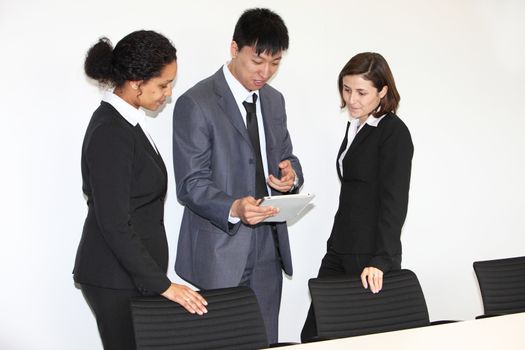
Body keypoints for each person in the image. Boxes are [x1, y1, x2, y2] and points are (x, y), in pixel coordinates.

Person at [172, 8, 303, 343]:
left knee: (265, 339)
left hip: (268, 247)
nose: (266, 72)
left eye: (275, 63)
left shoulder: (275, 102)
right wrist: (234, 207)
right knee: (222, 341)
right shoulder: (196, 103)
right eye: (258, 60)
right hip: (220, 247)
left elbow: (286, 156)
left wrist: (291, 176)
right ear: (235, 48)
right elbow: (190, 184)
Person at [73, 30, 207, 350]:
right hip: (114, 278)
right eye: (163, 84)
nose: (168, 93)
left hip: (130, 277)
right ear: (136, 82)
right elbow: (114, 222)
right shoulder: (111, 131)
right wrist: (164, 286)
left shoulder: (126, 123)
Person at [300, 52, 414, 342]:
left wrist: (381, 260)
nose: (352, 100)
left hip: (371, 257)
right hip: (340, 248)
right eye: (347, 89)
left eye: (362, 92)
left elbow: (394, 202)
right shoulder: (357, 125)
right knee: (314, 334)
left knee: (365, 338)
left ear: (383, 90)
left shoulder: (393, 132)